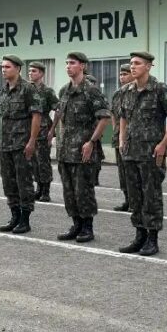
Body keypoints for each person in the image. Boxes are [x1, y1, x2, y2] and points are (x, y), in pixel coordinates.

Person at [118, 51, 167, 256]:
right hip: (130, 152)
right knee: (135, 196)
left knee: (151, 196)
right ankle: (139, 236)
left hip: (151, 153)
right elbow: (123, 117)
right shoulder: (127, 90)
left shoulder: (160, 89)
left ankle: (152, 239)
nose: (133, 67)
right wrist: (121, 140)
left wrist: (164, 143)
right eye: (131, 63)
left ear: (148, 66)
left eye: (137, 63)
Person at [51, 52, 111, 243]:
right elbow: (62, 117)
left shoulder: (91, 90)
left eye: (73, 63)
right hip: (66, 149)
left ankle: (87, 227)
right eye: (67, 63)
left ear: (83, 66)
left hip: (83, 149)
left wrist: (92, 142)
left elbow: (104, 117)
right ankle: (76, 224)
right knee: (69, 191)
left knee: (83, 190)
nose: (68, 66)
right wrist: (56, 136)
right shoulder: (64, 91)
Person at [0, 54, 41, 234]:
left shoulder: (28, 89)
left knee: (24, 183)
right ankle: (14, 216)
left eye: (7, 67)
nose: (3, 70)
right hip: (6, 144)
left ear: (17, 69)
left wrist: (32, 141)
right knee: (9, 182)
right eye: (2, 67)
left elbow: (36, 115)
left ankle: (25, 219)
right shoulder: (4, 90)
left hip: (22, 144)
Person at [28, 61, 59, 202]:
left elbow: (58, 110)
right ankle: (38, 188)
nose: (30, 73)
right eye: (29, 71)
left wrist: (52, 130)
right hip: (29, 131)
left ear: (41, 73)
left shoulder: (47, 91)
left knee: (43, 162)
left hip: (44, 130)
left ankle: (46, 191)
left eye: (34, 71)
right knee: (33, 162)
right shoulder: (26, 89)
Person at [111, 63, 133, 211]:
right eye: (120, 74)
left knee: (132, 171)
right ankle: (127, 199)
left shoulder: (134, 92)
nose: (122, 77)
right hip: (120, 136)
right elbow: (113, 112)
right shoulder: (117, 93)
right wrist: (115, 129)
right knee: (122, 171)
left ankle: (135, 201)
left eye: (125, 74)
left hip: (134, 138)